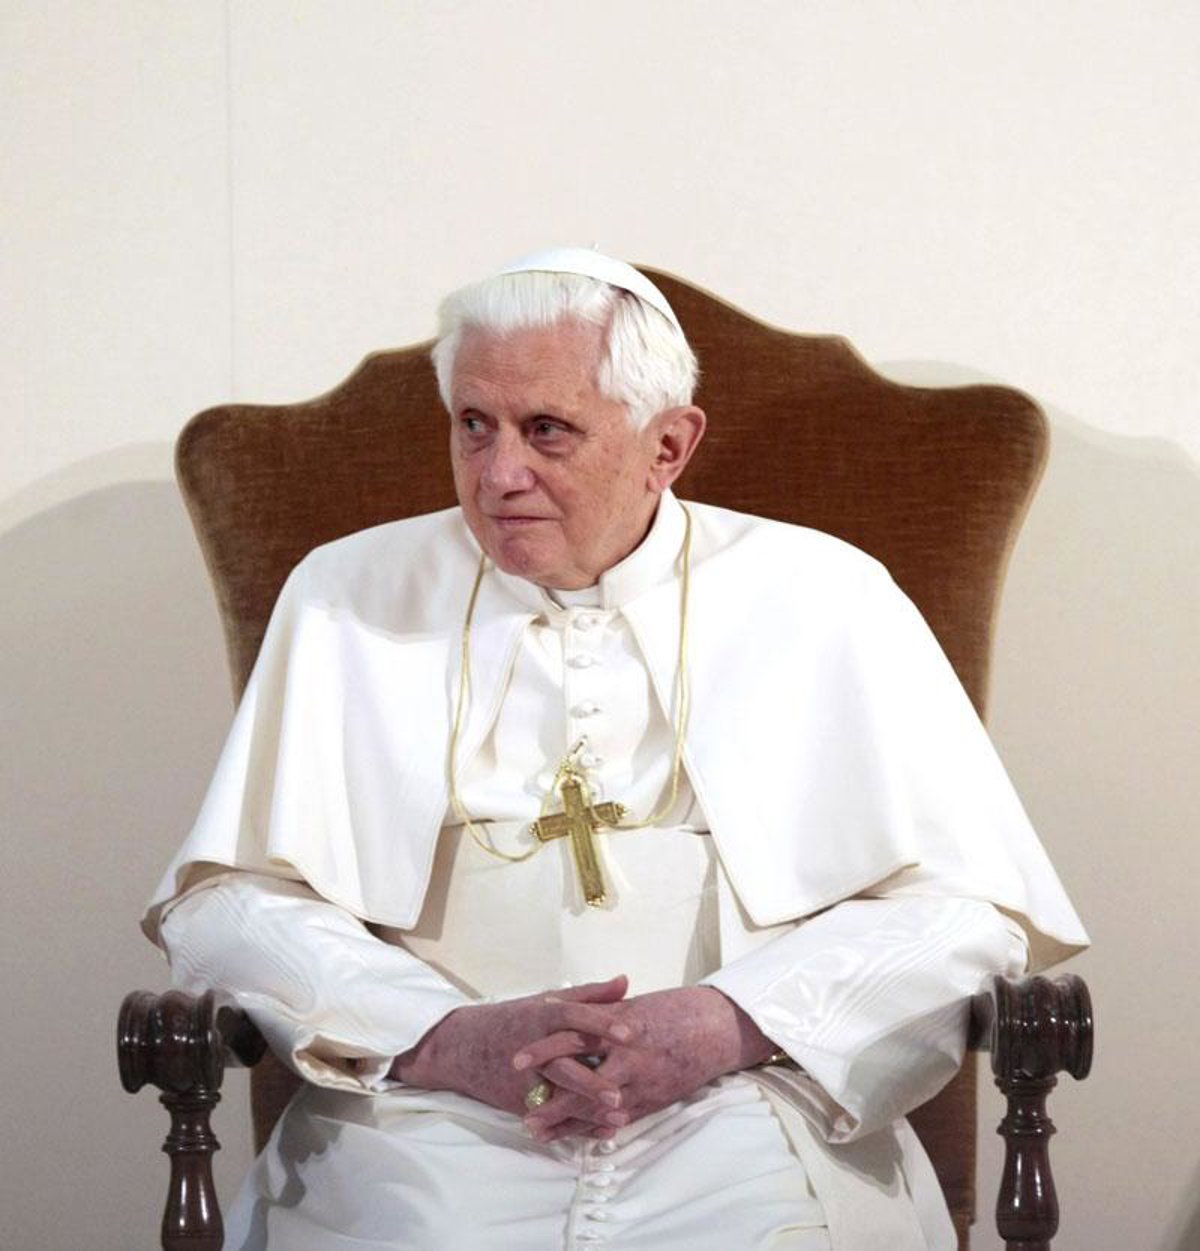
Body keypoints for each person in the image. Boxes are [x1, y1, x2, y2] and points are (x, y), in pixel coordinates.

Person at [146, 247, 1088, 1251]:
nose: (498, 474)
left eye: (546, 430)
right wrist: (439, 1035)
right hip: (423, 1120)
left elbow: (968, 910)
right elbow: (231, 900)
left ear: (668, 445)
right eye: (474, 425)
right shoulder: (348, 595)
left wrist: (731, 1022)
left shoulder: (826, 596)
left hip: (751, 1107)